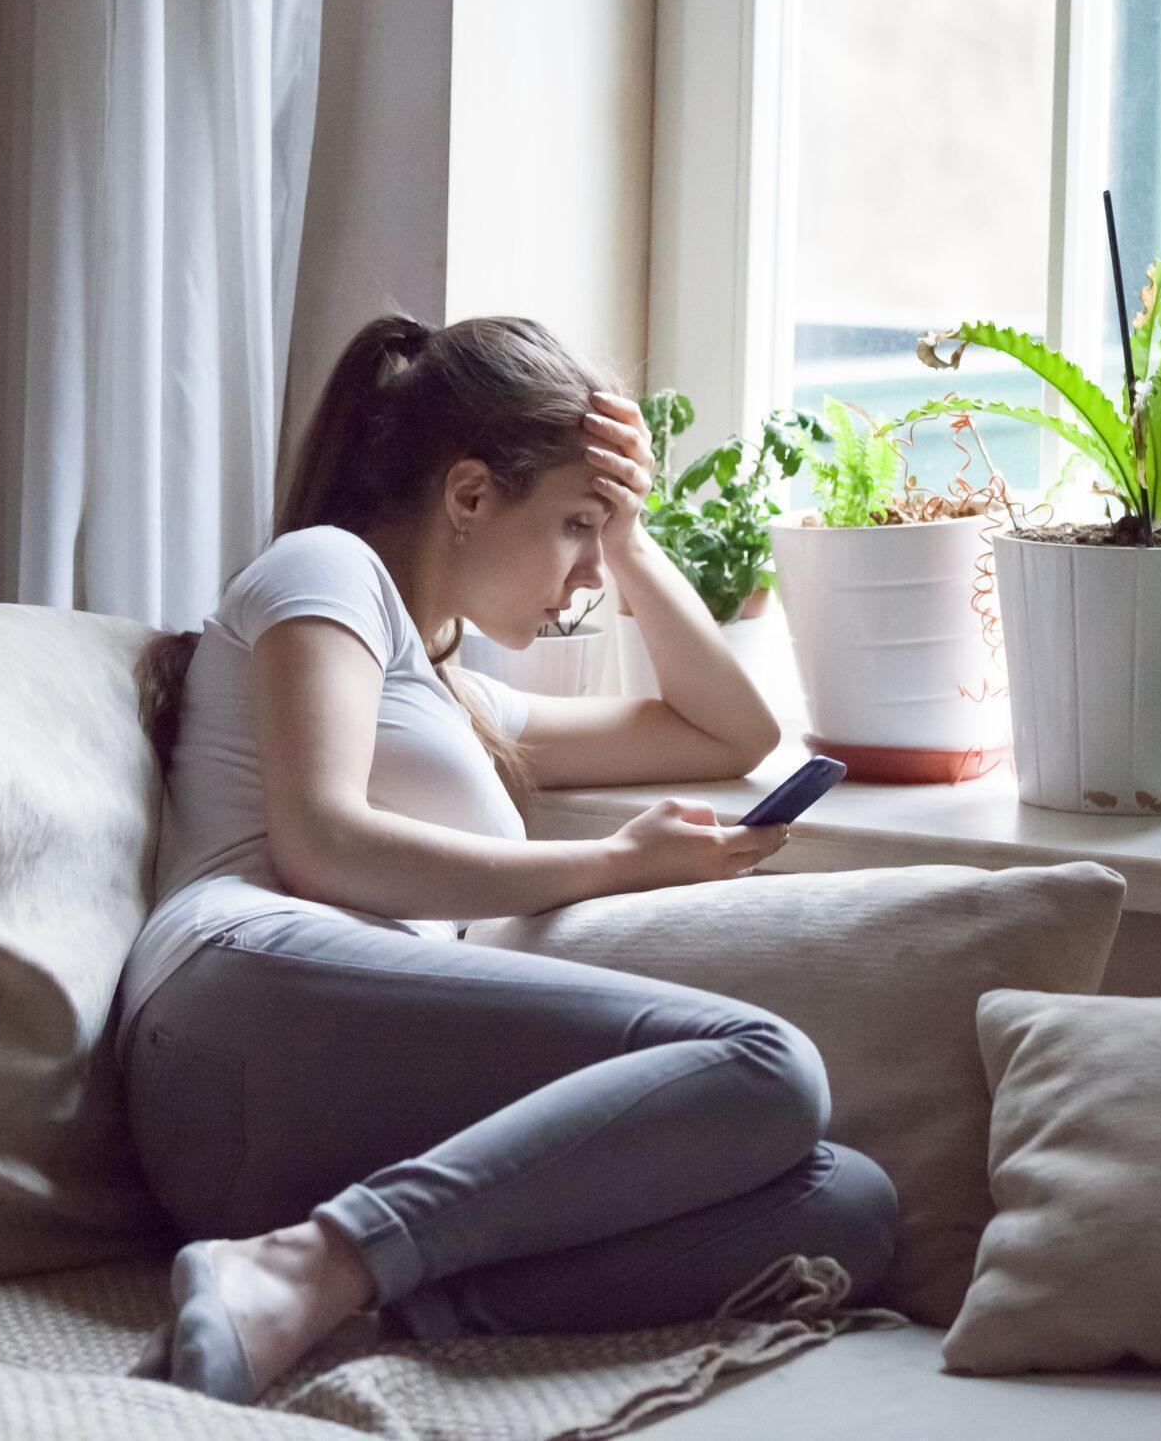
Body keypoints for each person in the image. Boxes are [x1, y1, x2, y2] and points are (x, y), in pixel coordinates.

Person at [119, 313, 898, 1405]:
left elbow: (733, 732)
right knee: (766, 1063)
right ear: (471, 495)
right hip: (235, 1006)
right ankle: (308, 1265)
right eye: (573, 527)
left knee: (843, 1204)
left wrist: (628, 534)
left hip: (328, 1113)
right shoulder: (325, 569)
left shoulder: (459, 697)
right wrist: (611, 866)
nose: (585, 580)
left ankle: (348, 1292)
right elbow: (322, 841)